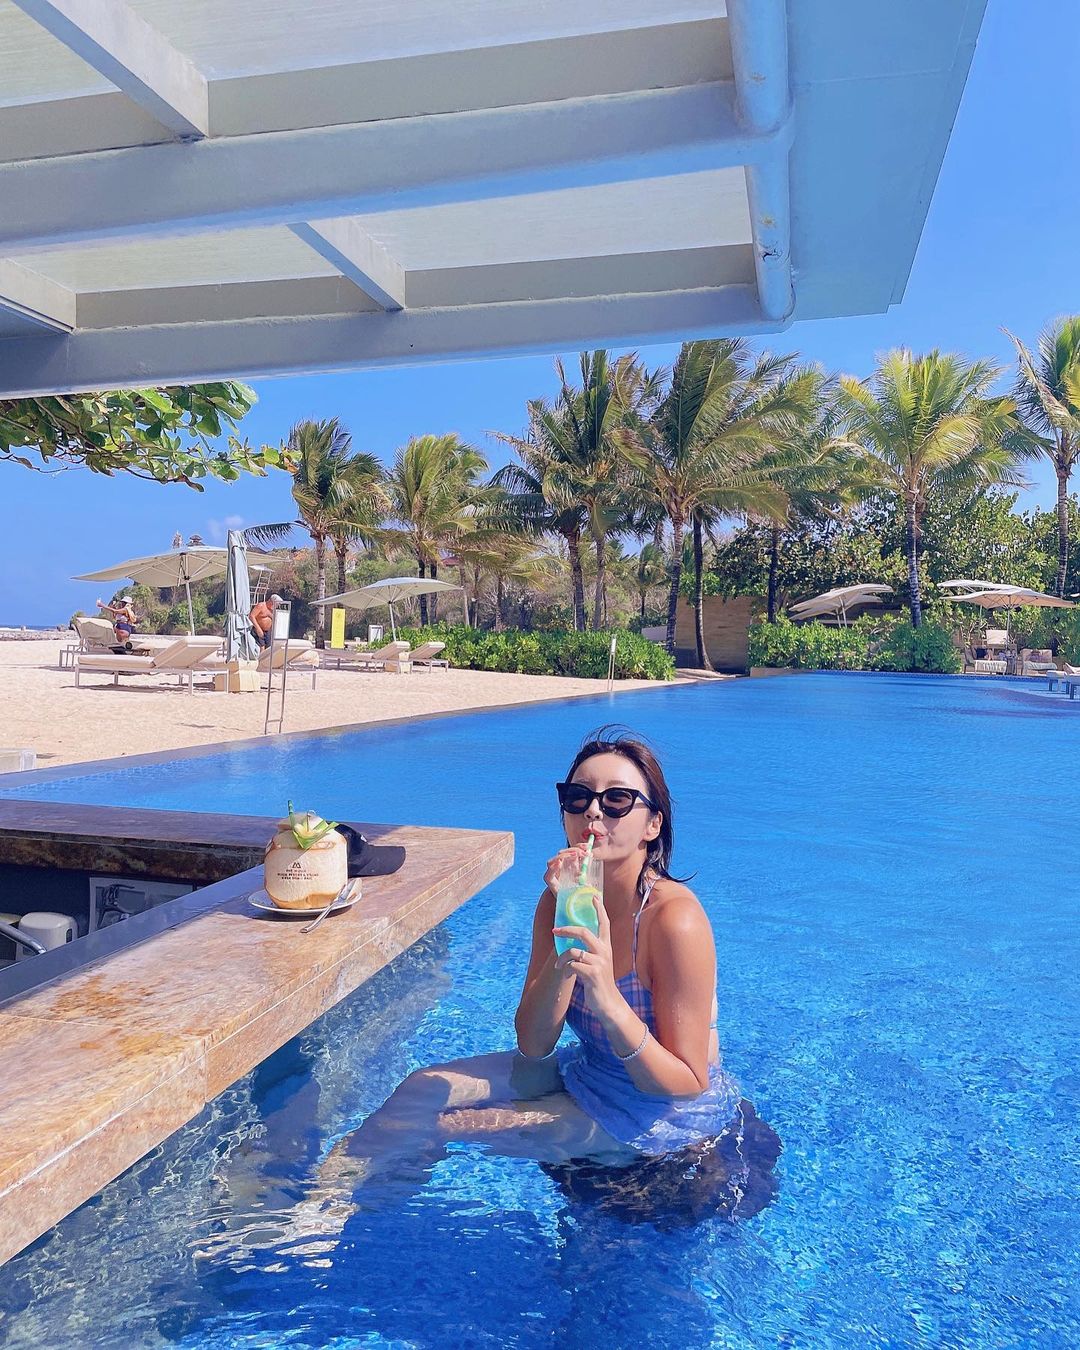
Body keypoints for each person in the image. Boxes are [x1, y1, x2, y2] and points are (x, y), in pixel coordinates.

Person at [304, 728, 779, 1223]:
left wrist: (605, 995)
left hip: (659, 1113)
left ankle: (352, 1210)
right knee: (423, 1088)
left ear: (652, 824)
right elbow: (534, 1044)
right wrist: (566, 948)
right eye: (578, 797)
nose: (593, 812)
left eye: (617, 800)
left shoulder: (674, 920)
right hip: (590, 1073)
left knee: (455, 1125)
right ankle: (326, 1204)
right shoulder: (559, 901)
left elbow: (686, 1082)